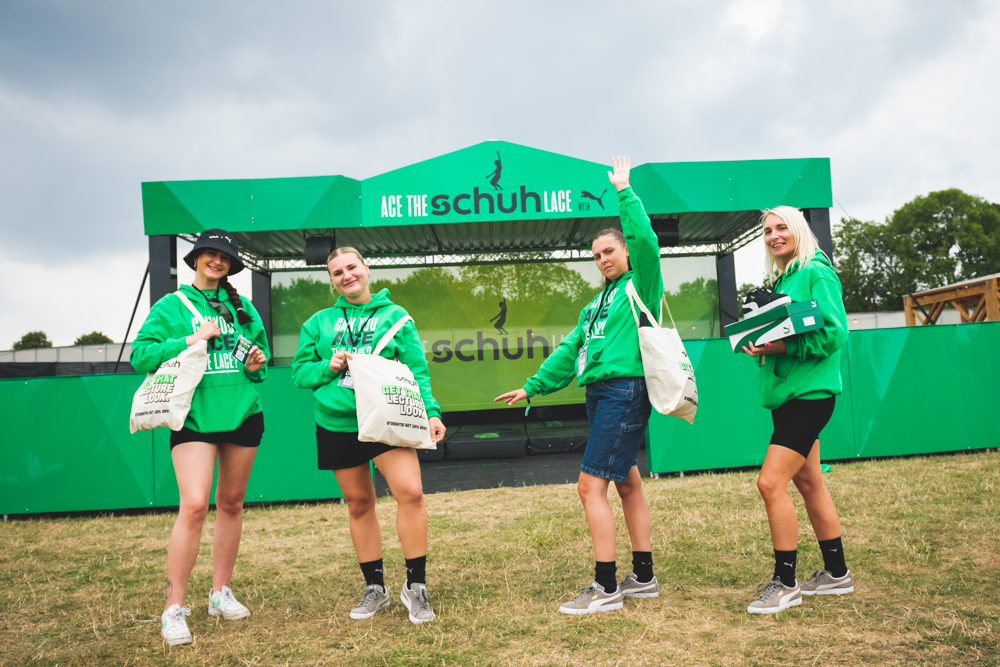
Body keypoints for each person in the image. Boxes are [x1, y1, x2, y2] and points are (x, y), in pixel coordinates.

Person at [494, 156, 661, 614]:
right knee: (626, 483)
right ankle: (642, 577)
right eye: (596, 256)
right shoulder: (595, 305)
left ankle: (605, 588)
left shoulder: (640, 285)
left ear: (625, 253)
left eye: (609, 251)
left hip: (624, 391)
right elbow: (570, 352)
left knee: (590, 487)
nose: (602, 259)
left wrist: (624, 192)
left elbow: (647, 241)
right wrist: (532, 386)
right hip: (600, 394)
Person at [291, 247, 446, 625]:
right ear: (331, 280)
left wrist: (431, 411)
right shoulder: (318, 323)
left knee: (410, 493)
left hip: (387, 418)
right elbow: (299, 374)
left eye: (352, 267)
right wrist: (327, 367)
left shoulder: (396, 317)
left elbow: (415, 371)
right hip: (336, 422)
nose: (346, 276)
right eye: (337, 272)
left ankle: (416, 585)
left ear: (367, 269)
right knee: (359, 504)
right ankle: (375, 588)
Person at [130, 229, 269, 646]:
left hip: (243, 415)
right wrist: (191, 337)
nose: (216, 260)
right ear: (195, 260)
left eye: (224, 256)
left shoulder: (242, 307)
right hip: (192, 417)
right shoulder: (171, 306)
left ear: (231, 264)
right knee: (193, 506)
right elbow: (141, 355)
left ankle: (219, 593)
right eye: (209, 253)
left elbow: (257, 367)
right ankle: (173, 608)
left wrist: (257, 363)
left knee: (231, 504)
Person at [740, 206, 854, 614]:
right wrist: (762, 344)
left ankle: (785, 583)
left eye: (781, 227)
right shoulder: (784, 277)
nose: (773, 235)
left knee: (770, 484)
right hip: (788, 395)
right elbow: (786, 333)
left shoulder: (815, 271)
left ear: (799, 229)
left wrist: (785, 346)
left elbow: (834, 331)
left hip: (810, 396)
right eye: (768, 230)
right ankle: (836, 574)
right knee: (810, 485)